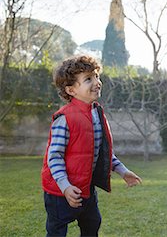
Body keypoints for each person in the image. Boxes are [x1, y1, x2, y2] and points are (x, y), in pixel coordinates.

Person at [41, 55, 142, 237]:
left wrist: (122, 171)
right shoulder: (64, 119)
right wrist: (65, 186)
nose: (97, 82)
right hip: (59, 192)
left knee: (92, 224)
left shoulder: (97, 113)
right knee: (56, 231)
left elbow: (103, 152)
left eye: (97, 76)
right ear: (71, 90)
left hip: (86, 189)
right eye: (88, 79)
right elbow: (54, 157)